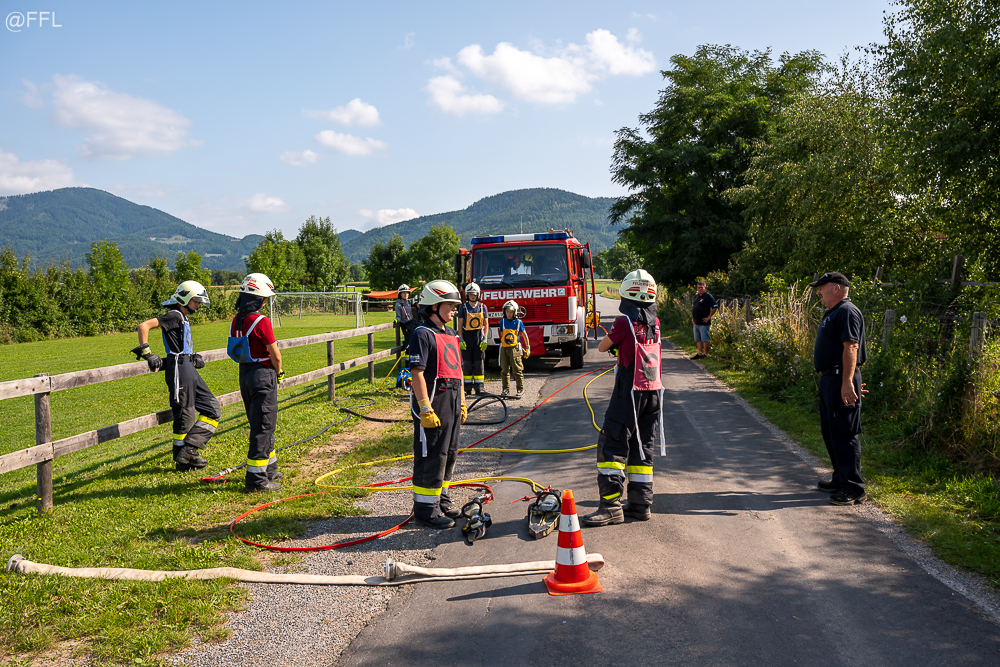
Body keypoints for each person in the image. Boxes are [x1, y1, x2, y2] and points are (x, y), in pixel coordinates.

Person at [583, 269, 664, 527]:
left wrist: (616, 344)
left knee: (613, 443)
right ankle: (640, 504)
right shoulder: (655, 322)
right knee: (642, 444)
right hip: (652, 391)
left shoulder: (623, 322)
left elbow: (602, 346)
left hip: (629, 391)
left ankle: (610, 507)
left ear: (626, 293)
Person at [133, 281, 221, 472]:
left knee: (212, 408)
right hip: (179, 369)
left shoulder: (183, 317)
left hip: (188, 366)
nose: (198, 305)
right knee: (185, 414)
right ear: (185, 299)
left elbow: (180, 341)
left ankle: (189, 451)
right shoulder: (173, 315)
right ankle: (183, 461)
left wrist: (192, 355)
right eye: (196, 301)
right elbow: (143, 326)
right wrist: (147, 353)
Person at [407, 279, 468, 528]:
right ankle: (425, 510)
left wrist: (462, 401)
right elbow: (417, 373)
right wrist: (424, 407)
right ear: (434, 306)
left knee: (448, 453)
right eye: (450, 305)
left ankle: (441, 499)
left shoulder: (451, 334)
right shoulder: (422, 334)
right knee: (432, 454)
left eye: (455, 306)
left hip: (452, 400)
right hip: (433, 401)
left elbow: (458, 371)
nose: (455, 309)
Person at [810, 271, 868, 506]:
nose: (818, 292)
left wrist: (847, 381)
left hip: (838, 379)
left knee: (844, 432)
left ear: (835, 288)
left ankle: (853, 488)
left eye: (821, 287)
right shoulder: (833, 312)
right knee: (831, 432)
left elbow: (851, 347)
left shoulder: (846, 311)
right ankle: (840, 479)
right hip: (831, 380)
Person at [230, 272, 284, 493]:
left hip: (245, 374)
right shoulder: (262, 322)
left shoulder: (236, 320)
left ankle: (269, 469)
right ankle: (256, 481)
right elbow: (275, 355)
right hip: (263, 375)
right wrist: (279, 372)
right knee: (264, 426)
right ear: (259, 299)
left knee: (260, 422)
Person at [457, 282, 489, 396]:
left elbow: (486, 323)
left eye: (474, 294)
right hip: (467, 337)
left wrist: (485, 338)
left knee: (479, 362)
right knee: (467, 363)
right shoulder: (463, 307)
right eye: (470, 294)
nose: (472, 296)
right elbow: (460, 324)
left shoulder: (483, 307)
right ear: (467, 295)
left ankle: (479, 388)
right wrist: (461, 338)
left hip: (479, 336)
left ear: (478, 294)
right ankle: (467, 388)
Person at [497, 300, 530, 398]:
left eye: (511, 312)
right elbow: (501, 335)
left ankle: (520, 389)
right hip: (504, 348)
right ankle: (505, 389)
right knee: (504, 370)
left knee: (517, 369)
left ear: (515, 312)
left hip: (514, 349)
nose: (509, 314)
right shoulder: (502, 322)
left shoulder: (518, 322)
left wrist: (527, 347)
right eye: (507, 311)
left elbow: (524, 335)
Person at [691, 280, 718, 359]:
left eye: (701, 287)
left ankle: (705, 354)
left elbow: (715, 307)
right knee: (698, 339)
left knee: (704, 339)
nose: (700, 289)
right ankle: (699, 353)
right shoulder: (696, 296)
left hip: (704, 321)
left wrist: (709, 316)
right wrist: (693, 317)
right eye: (698, 287)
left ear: (705, 288)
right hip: (696, 321)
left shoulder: (708, 296)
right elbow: (695, 307)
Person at [395, 284, 416, 367]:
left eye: (407, 293)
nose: (405, 294)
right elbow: (398, 317)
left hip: (413, 322)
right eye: (403, 293)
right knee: (408, 344)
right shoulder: (398, 305)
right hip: (406, 325)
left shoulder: (410, 302)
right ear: (400, 294)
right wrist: (396, 320)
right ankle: (408, 364)